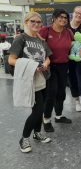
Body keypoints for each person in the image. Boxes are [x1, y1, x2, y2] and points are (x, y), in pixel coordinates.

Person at [8, 12, 52, 153]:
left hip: (43, 78)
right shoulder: (21, 39)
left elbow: (48, 57)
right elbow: (11, 60)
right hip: (29, 80)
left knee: (40, 110)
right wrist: (32, 65)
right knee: (37, 110)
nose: (36, 24)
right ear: (26, 22)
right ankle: (24, 138)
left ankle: (37, 133)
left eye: (39, 22)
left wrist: (45, 63)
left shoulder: (41, 40)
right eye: (33, 21)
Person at [39, 9, 73, 132]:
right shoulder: (45, 31)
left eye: (65, 17)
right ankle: (46, 119)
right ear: (53, 18)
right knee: (51, 93)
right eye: (61, 17)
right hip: (49, 66)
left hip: (64, 65)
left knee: (61, 93)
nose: (63, 19)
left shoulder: (68, 32)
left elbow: (73, 45)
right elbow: (38, 46)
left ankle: (58, 116)